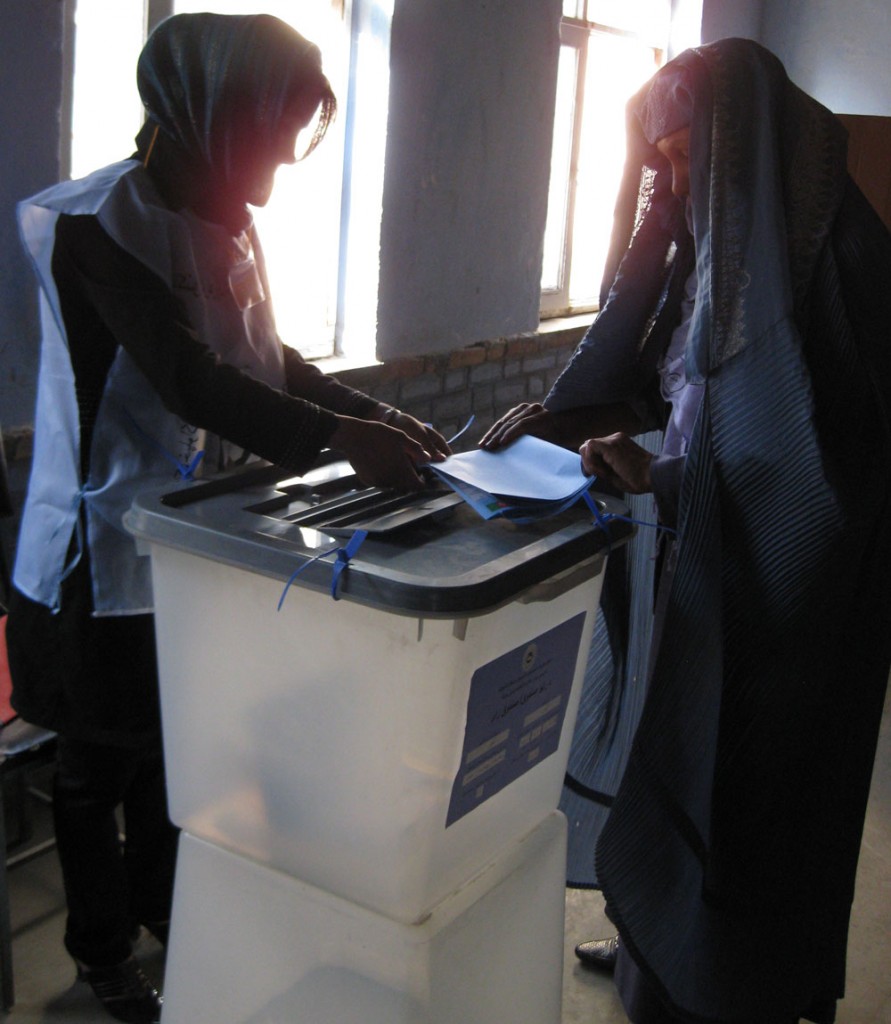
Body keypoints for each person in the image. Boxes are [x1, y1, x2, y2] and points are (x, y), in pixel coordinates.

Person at [6, 13, 450, 1024]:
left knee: (178, 750)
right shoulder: (95, 224)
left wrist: (376, 414)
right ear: (209, 112)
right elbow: (187, 375)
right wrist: (342, 439)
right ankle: (104, 957)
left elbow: (266, 358)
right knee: (96, 764)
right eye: (270, 134)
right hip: (95, 558)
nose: (278, 165)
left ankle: (173, 929)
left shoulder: (223, 219)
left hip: (189, 550)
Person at [482, 37, 891, 1023]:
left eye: (680, 157)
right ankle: (657, 947)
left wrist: (663, 475)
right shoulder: (719, 241)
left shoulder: (842, 255)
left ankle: (721, 987)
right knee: (668, 767)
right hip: (704, 557)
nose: (669, 179)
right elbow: (636, 345)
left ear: (737, 144)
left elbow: (815, 471)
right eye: (656, 161)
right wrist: (553, 412)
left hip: (794, 604)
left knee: (750, 798)